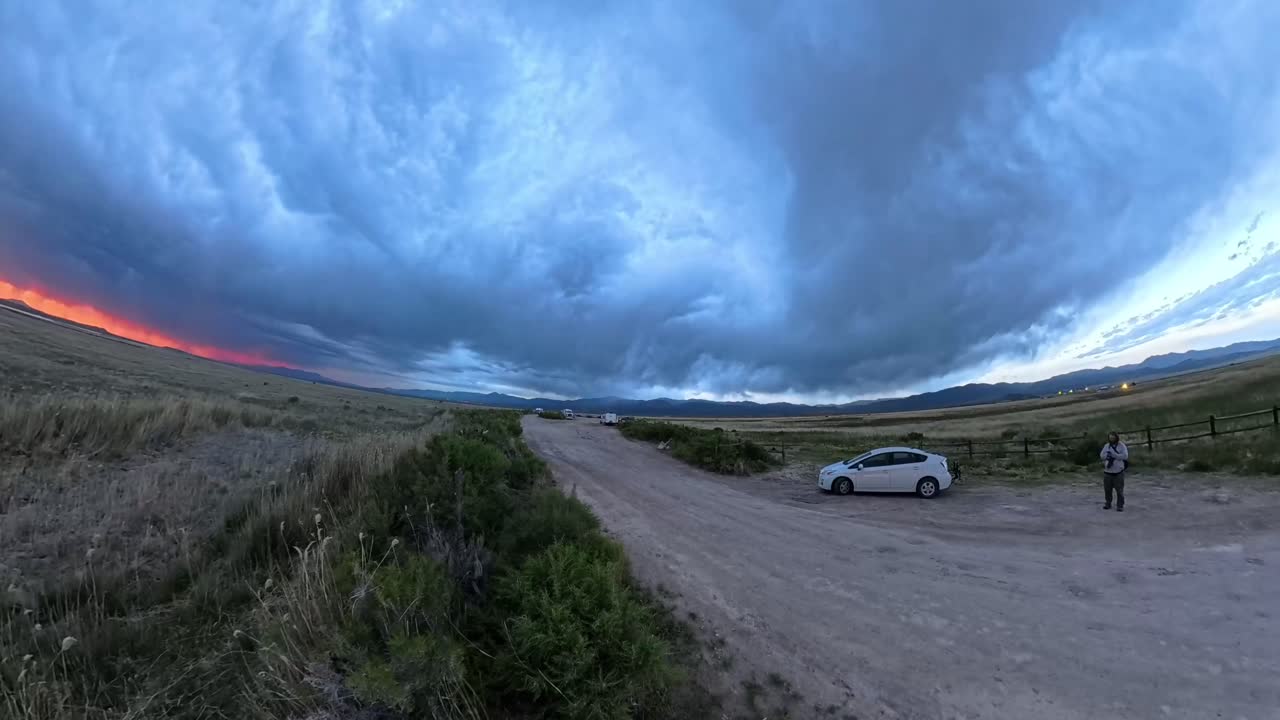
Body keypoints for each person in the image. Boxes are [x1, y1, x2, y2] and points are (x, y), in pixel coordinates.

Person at [1100, 432, 1129, 511]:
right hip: (1108, 471)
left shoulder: (1122, 446)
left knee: (1119, 490)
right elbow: (1102, 456)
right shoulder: (1106, 446)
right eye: (1110, 438)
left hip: (1118, 471)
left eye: (1113, 438)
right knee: (1107, 489)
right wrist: (1108, 456)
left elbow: (1125, 456)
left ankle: (1120, 505)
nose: (1112, 439)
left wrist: (1114, 455)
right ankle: (1108, 503)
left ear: (1116, 438)